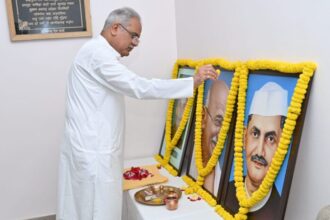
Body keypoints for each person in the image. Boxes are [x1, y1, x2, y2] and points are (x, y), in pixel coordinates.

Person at [56, 7, 217, 220]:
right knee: (95, 209)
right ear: (115, 28)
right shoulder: (98, 55)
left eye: (137, 39)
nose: (134, 43)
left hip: (94, 149)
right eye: (133, 36)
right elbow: (140, 87)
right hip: (93, 153)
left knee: (89, 207)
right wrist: (193, 82)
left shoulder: (97, 52)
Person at [225, 81, 288, 219]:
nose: (260, 152)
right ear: (244, 137)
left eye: (270, 139)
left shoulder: (278, 209)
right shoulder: (224, 193)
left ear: (282, 146)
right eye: (255, 134)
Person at [201, 80, 229, 195]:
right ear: (203, 116)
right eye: (218, 121)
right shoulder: (189, 162)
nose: (221, 135)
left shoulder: (224, 187)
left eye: (226, 126)